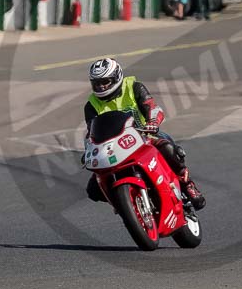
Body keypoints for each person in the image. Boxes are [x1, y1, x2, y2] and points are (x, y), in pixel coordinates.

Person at [84, 58, 205, 209]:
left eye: (105, 82)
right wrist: (89, 150)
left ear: (117, 77)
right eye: (96, 83)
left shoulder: (134, 87)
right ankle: (126, 204)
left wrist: (152, 122)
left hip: (144, 136)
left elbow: (152, 107)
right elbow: (91, 132)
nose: (101, 87)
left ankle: (187, 184)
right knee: (93, 190)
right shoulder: (91, 105)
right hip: (114, 148)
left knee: (168, 148)